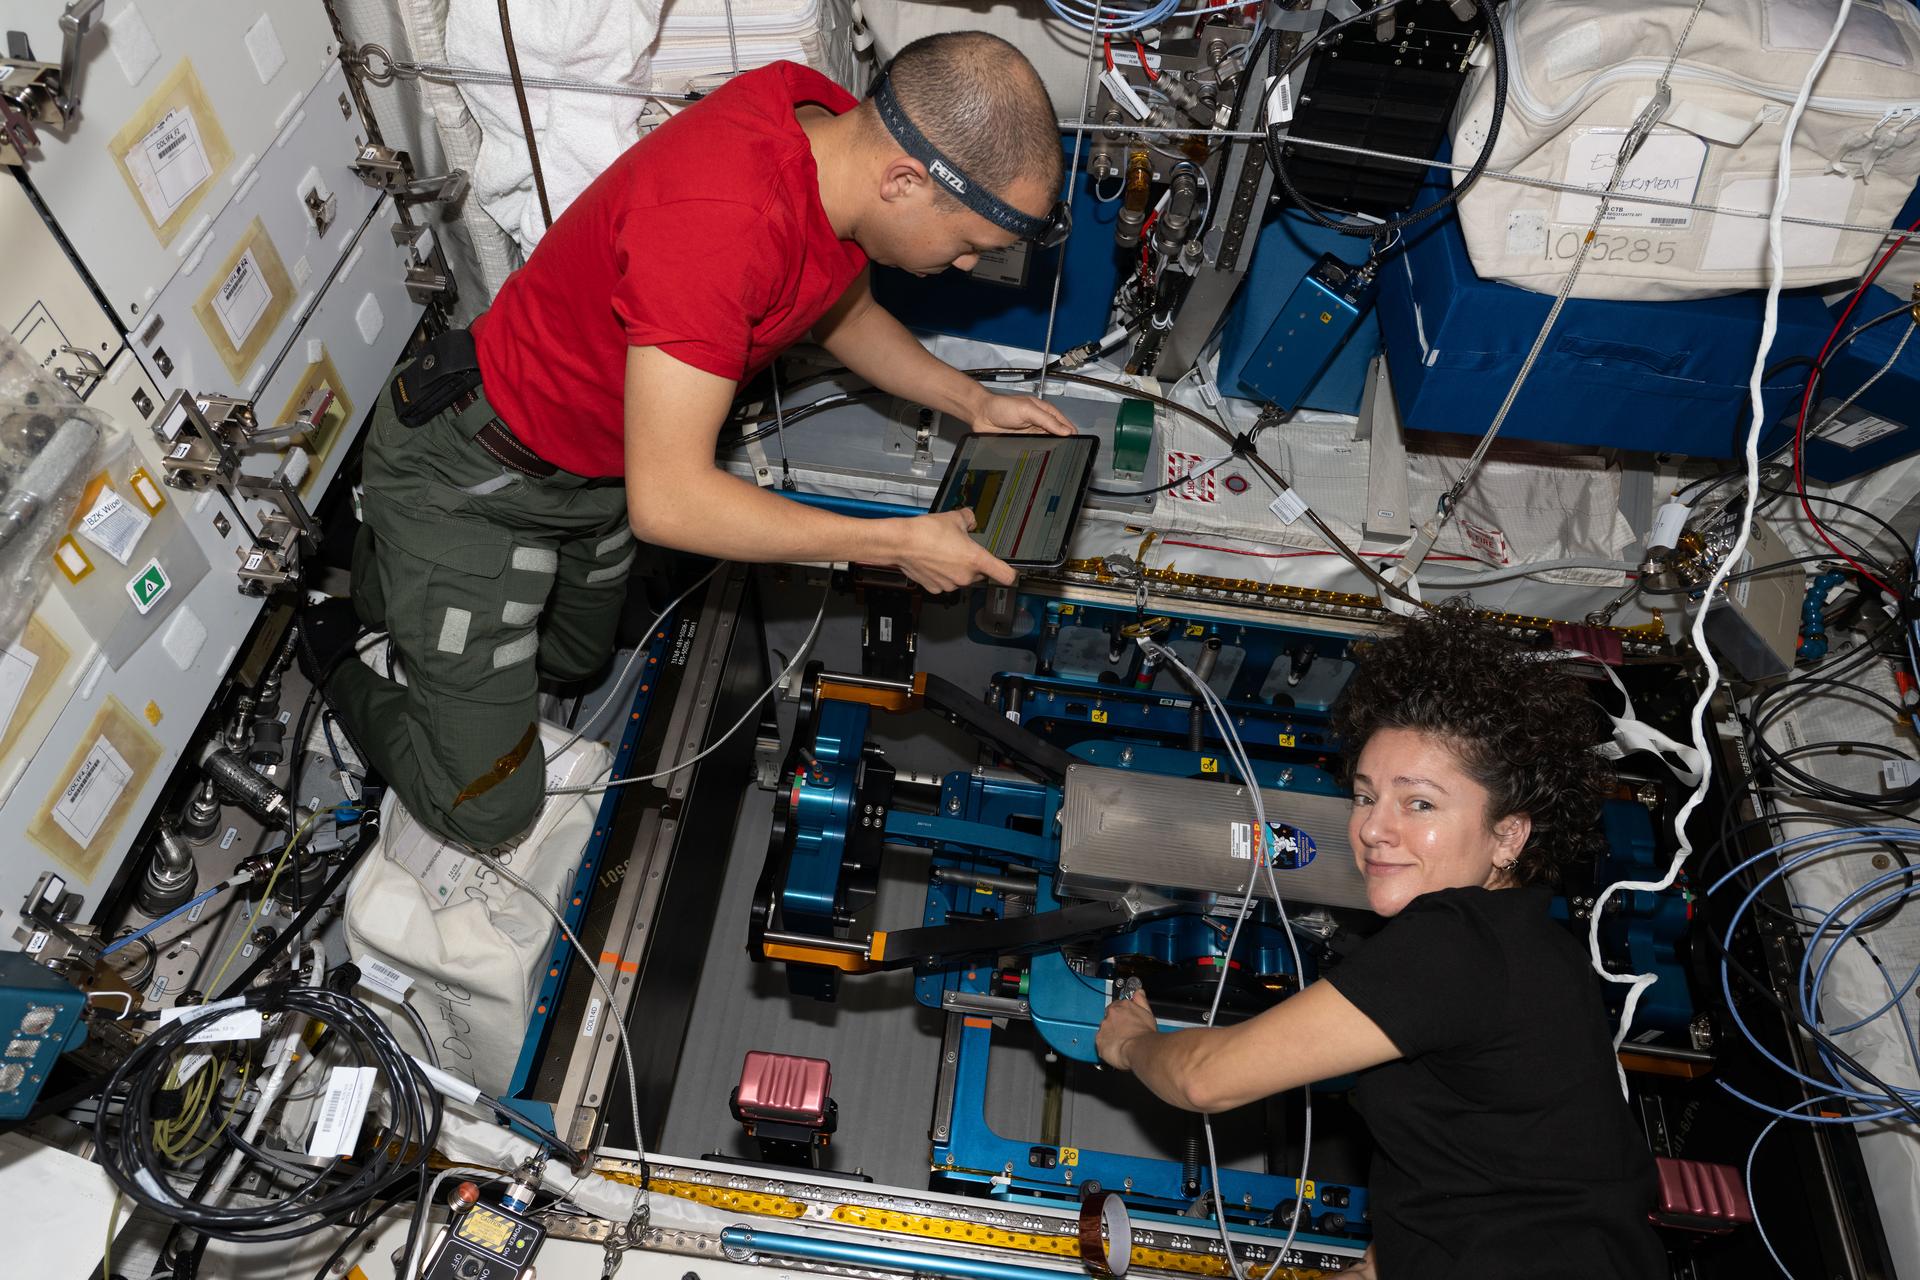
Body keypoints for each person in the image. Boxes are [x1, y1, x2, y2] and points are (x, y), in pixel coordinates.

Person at [308, 33, 1076, 850]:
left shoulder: (825, 128)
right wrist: (890, 544)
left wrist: (973, 402)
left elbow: (837, 305)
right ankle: (335, 655)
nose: (963, 267)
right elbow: (670, 504)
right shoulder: (722, 226)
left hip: (593, 473)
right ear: (904, 180)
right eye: (968, 245)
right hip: (472, 474)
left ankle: (412, 612)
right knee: (492, 811)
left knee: (574, 662)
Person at [1095, 610, 1666, 1279]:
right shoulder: (1527, 946)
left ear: (1509, 835)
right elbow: (1487, 1187)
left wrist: (1133, 1043)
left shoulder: (1459, 943)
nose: (1373, 830)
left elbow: (1204, 1077)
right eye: (1366, 797)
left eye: (1419, 804)